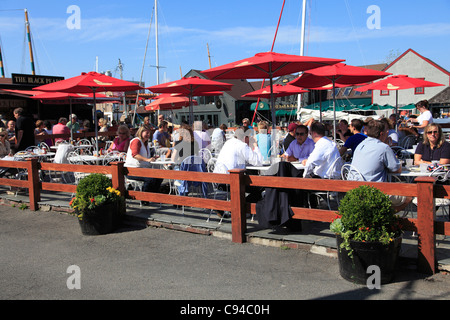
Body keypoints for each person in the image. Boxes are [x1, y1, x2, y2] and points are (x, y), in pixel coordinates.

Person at [351, 120, 411, 210]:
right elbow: (396, 169)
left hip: (354, 188)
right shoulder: (383, 147)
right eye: (387, 132)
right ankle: (386, 217)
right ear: (382, 134)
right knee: (409, 192)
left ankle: (381, 216)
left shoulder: (361, 145)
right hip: (373, 191)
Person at [124, 124, 163, 193]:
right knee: (150, 178)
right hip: (132, 170)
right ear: (141, 132)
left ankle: (153, 195)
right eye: (146, 133)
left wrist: (152, 158)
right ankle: (144, 198)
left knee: (159, 176)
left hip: (142, 169)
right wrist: (148, 159)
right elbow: (135, 155)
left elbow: (145, 157)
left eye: (149, 133)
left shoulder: (145, 143)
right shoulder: (136, 141)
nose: (148, 135)